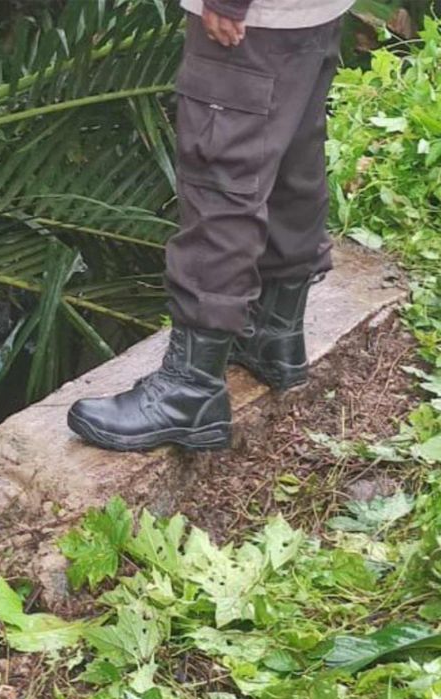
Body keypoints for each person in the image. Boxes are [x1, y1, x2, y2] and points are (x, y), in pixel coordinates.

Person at [68, 0, 356, 452]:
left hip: (253, 22)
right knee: (291, 164)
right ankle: (274, 336)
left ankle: (190, 390)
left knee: (222, 184)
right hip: (307, 12)